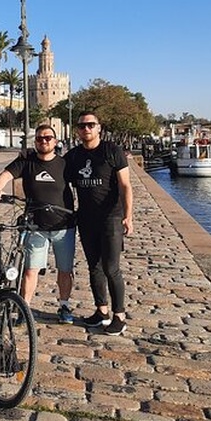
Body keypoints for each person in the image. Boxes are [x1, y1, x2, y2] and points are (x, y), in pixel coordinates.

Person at [0, 125, 77, 324]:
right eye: (39, 138)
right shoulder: (26, 162)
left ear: (55, 141)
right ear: (35, 142)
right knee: (30, 270)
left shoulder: (65, 164)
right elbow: (5, 175)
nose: (44, 141)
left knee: (65, 270)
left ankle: (64, 305)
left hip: (64, 226)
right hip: (36, 226)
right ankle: (25, 308)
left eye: (48, 138)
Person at [64, 112, 134, 336]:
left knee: (111, 268)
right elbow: (56, 172)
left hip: (111, 217)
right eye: (82, 126)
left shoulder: (112, 151)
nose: (86, 129)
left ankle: (119, 315)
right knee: (94, 267)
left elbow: (125, 186)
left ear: (99, 128)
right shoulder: (73, 156)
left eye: (91, 125)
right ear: (77, 130)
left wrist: (128, 216)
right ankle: (101, 311)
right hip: (86, 218)